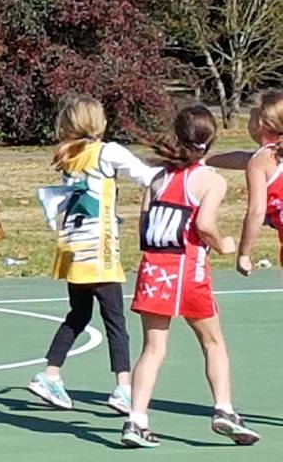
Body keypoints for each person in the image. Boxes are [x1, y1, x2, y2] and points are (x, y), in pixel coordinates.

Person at [122, 105, 260, 448]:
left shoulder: (158, 179)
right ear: (210, 141)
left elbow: (144, 224)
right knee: (213, 341)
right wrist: (224, 244)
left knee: (153, 348)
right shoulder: (211, 180)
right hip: (187, 270)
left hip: (153, 269)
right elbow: (204, 224)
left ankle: (136, 419)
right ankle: (224, 409)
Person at [28, 95, 157, 413]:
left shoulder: (70, 154)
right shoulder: (106, 152)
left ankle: (51, 374)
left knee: (79, 314)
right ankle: (123, 387)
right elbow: (147, 177)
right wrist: (178, 168)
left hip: (74, 247)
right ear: (97, 122)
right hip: (97, 248)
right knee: (115, 320)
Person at [207, 90, 283, 273]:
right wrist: (205, 159)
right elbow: (242, 159)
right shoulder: (267, 157)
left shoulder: (261, 161)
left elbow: (256, 212)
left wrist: (244, 253)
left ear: (259, 123)